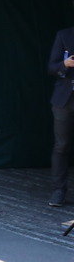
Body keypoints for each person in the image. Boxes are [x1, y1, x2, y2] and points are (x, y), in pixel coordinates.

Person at [46, 25, 74, 206]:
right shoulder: (64, 35)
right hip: (65, 100)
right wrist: (65, 64)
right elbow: (51, 67)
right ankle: (59, 190)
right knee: (62, 146)